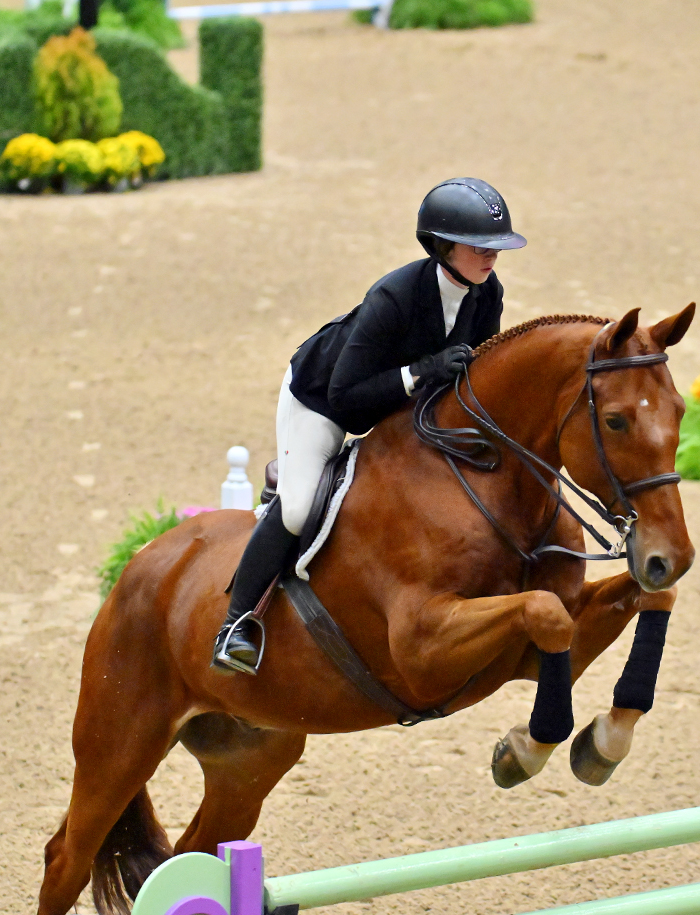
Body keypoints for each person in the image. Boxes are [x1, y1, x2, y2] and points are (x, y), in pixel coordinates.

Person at [212, 177, 527, 675]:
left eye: (496, 248)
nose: (491, 258)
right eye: (479, 246)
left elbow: (475, 377)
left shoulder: (487, 294)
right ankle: (235, 625)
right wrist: (421, 372)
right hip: (322, 401)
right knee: (297, 509)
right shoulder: (394, 297)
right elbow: (347, 400)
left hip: (401, 407)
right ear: (442, 246)